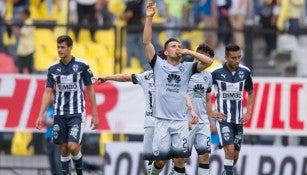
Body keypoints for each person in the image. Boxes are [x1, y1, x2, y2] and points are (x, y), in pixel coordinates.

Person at [143, 2, 213, 175]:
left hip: (181, 122)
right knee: (160, 160)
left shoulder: (187, 68)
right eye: (173, 46)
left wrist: (188, 52)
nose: (177, 48)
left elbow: (208, 62)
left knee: (181, 159)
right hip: (162, 122)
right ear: (166, 52)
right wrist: (149, 17)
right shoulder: (158, 66)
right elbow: (146, 42)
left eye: (179, 46)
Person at [36, 35, 99, 175]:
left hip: (76, 113)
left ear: (70, 48)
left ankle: (79, 172)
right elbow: (47, 93)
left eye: (62, 47)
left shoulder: (82, 66)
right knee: (64, 147)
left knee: (72, 145)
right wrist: (40, 114)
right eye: (58, 47)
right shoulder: (53, 69)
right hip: (59, 113)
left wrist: (95, 114)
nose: (59, 50)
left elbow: (90, 89)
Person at [96, 70, 155, 174]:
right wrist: (107, 77)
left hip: (169, 123)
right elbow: (125, 77)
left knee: (177, 159)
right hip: (151, 123)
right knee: (156, 160)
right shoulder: (147, 75)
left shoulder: (175, 73)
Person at [210, 43, 255, 175]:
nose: (236, 60)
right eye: (233, 58)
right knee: (229, 150)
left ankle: (226, 172)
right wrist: (211, 112)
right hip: (223, 119)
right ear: (226, 57)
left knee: (235, 155)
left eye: (238, 57)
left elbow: (251, 92)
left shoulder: (245, 72)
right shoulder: (215, 72)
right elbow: (204, 93)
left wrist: (248, 112)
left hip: (239, 120)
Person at [185, 43, 225, 175]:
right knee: (181, 158)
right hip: (186, 121)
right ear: (197, 56)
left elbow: (207, 100)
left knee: (204, 157)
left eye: (208, 60)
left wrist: (210, 121)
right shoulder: (184, 71)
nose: (205, 62)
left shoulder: (208, 77)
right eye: (203, 58)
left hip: (202, 122)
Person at [119, 0, 151, 70]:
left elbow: (129, 14)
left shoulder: (130, 3)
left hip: (131, 30)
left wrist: (120, 16)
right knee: (142, 50)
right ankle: (145, 67)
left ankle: (128, 66)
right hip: (139, 29)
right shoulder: (141, 2)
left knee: (129, 50)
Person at [42, 91, 63, 175]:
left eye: (50, 95)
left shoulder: (59, 108)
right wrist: (45, 121)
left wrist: (48, 121)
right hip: (48, 138)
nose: (48, 97)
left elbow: (59, 121)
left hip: (57, 139)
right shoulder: (47, 108)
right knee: (52, 163)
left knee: (58, 162)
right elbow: (43, 120)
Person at [12, 8, 35, 73]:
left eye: (22, 14)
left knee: (28, 69)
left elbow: (20, 33)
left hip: (27, 49)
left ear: (25, 15)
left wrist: (14, 27)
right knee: (21, 69)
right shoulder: (26, 22)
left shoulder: (28, 22)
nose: (20, 16)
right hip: (23, 49)